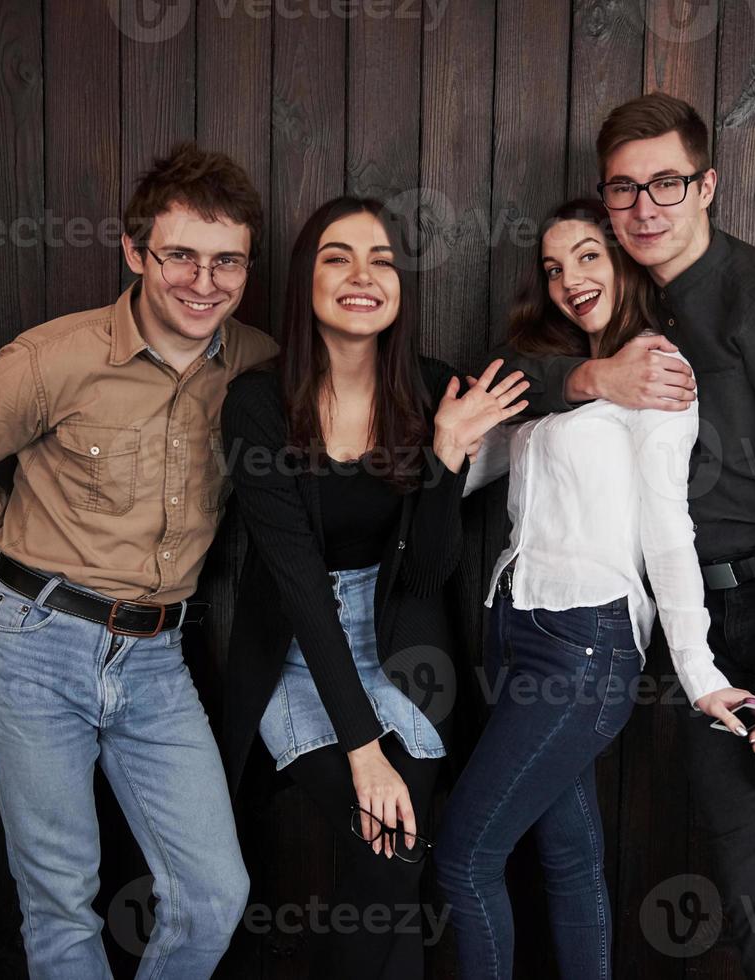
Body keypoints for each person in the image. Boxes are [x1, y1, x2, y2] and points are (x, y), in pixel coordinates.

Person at [499, 94, 755, 980]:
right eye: (623, 190)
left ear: (707, 185)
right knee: (751, 882)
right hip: (702, 626)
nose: (644, 208)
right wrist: (591, 373)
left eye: (666, 184)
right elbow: (513, 371)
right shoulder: (623, 302)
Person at [0, 141, 276, 977]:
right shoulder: (53, 359)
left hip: (157, 662)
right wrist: (25, 545)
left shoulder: (257, 363)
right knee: (61, 901)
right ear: (135, 252)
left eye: (226, 263)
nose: (203, 282)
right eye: (179, 255)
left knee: (214, 891)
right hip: (34, 646)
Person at [435, 198, 755, 980]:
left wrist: (698, 671)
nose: (569, 280)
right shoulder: (555, 381)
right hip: (514, 629)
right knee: (569, 859)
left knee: (463, 857)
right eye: (553, 268)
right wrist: (441, 450)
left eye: (587, 256)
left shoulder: (658, 370)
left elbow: (668, 528)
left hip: (584, 646)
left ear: (623, 258)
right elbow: (464, 472)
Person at [219, 196, 528, 979]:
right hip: (299, 642)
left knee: (396, 870)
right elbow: (295, 585)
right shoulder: (255, 404)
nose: (362, 275)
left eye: (381, 259)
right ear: (304, 282)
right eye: (336, 257)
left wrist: (445, 458)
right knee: (389, 857)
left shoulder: (433, 389)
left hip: (405, 641)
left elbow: (426, 571)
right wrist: (363, 751)